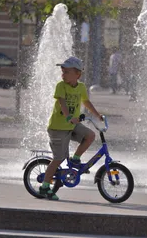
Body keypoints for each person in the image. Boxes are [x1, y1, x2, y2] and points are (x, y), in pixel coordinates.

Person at [39, 56, 103, 200]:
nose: (63, 75)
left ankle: (75, 159)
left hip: (72, 125)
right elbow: (62, 103)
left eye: (67, 72)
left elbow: (86, 102)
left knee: (90, 135)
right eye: (62, 71)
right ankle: (44, 187)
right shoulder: (61, 86)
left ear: (78, 74)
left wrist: (98, 115)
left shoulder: (80, 87)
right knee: (59, 158)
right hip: (58, 127)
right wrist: (68, 116)